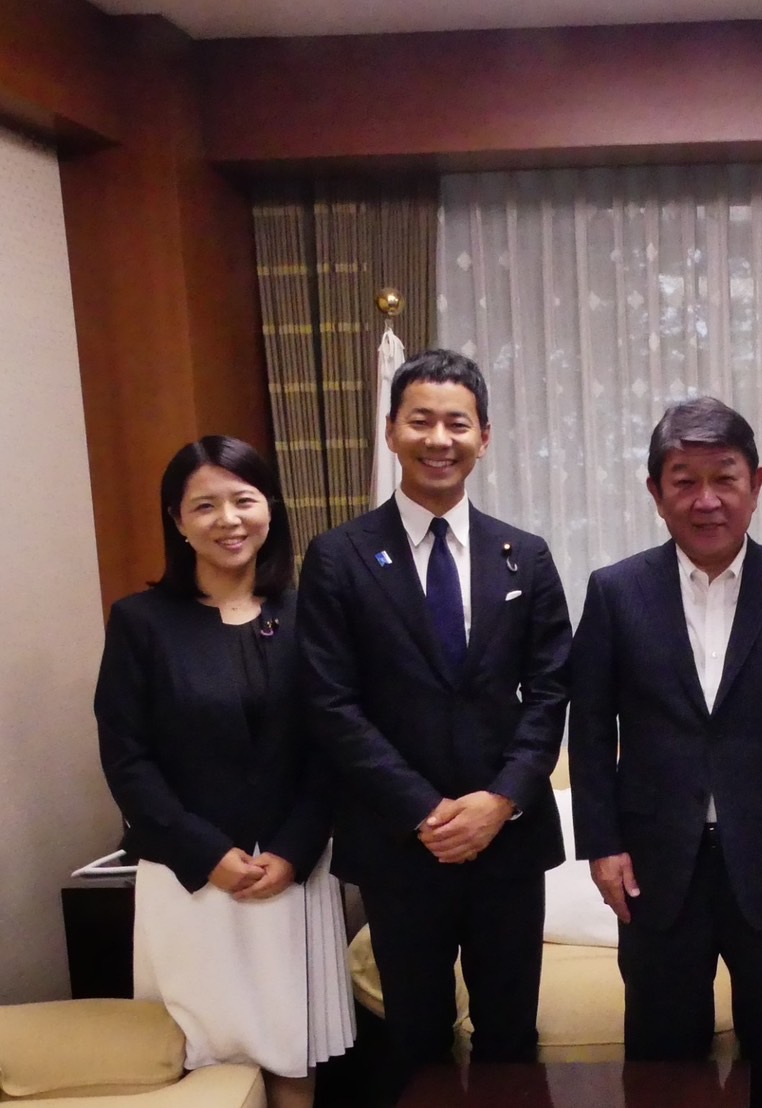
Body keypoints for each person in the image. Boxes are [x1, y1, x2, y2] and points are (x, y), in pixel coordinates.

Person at [568, 396, 762, 1108]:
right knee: (663, 1060)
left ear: (755, 484)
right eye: (684, 481)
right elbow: (590, 729)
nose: (706, 500)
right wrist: (603, 845)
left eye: (724, 478)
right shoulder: (616, 591)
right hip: (655, 867)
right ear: (655, 491)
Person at [296, 350, 572, 1097]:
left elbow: (551, 691)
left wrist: (500, 800)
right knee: (415, 1040)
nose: (439, 439)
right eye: (421, 421)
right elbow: (330, 703)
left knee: (510, 1035)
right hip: (397, 843)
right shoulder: (339, 557)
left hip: (506, 840)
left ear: (485, 437)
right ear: (391, 431)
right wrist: (424, 810)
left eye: (458, 423)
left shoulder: (525, 557)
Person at [94, 436, 353, 1108]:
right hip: (191, 879)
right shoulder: (141, 623)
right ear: (177, 521)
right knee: (201, 1057)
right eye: (204, 506)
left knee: (290, 1052)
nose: (228, 520)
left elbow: (334, 747)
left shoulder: (311, 615)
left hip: (289, 874)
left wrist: (293, 853)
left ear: (270, 508)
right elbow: (127, 758)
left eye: (243, 500)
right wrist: (206, 853)